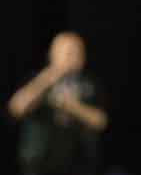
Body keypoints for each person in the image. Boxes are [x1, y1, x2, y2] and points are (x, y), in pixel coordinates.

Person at [8, 32, 108, 175]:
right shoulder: (37, 80)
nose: (74, 56)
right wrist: (51, 76)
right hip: (38, 164)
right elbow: (17, 107)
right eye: (69, 51)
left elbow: (100, 121)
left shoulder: (90, 85)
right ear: (52, 53)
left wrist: (71, 106)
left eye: (79, 51)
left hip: (77, 163)